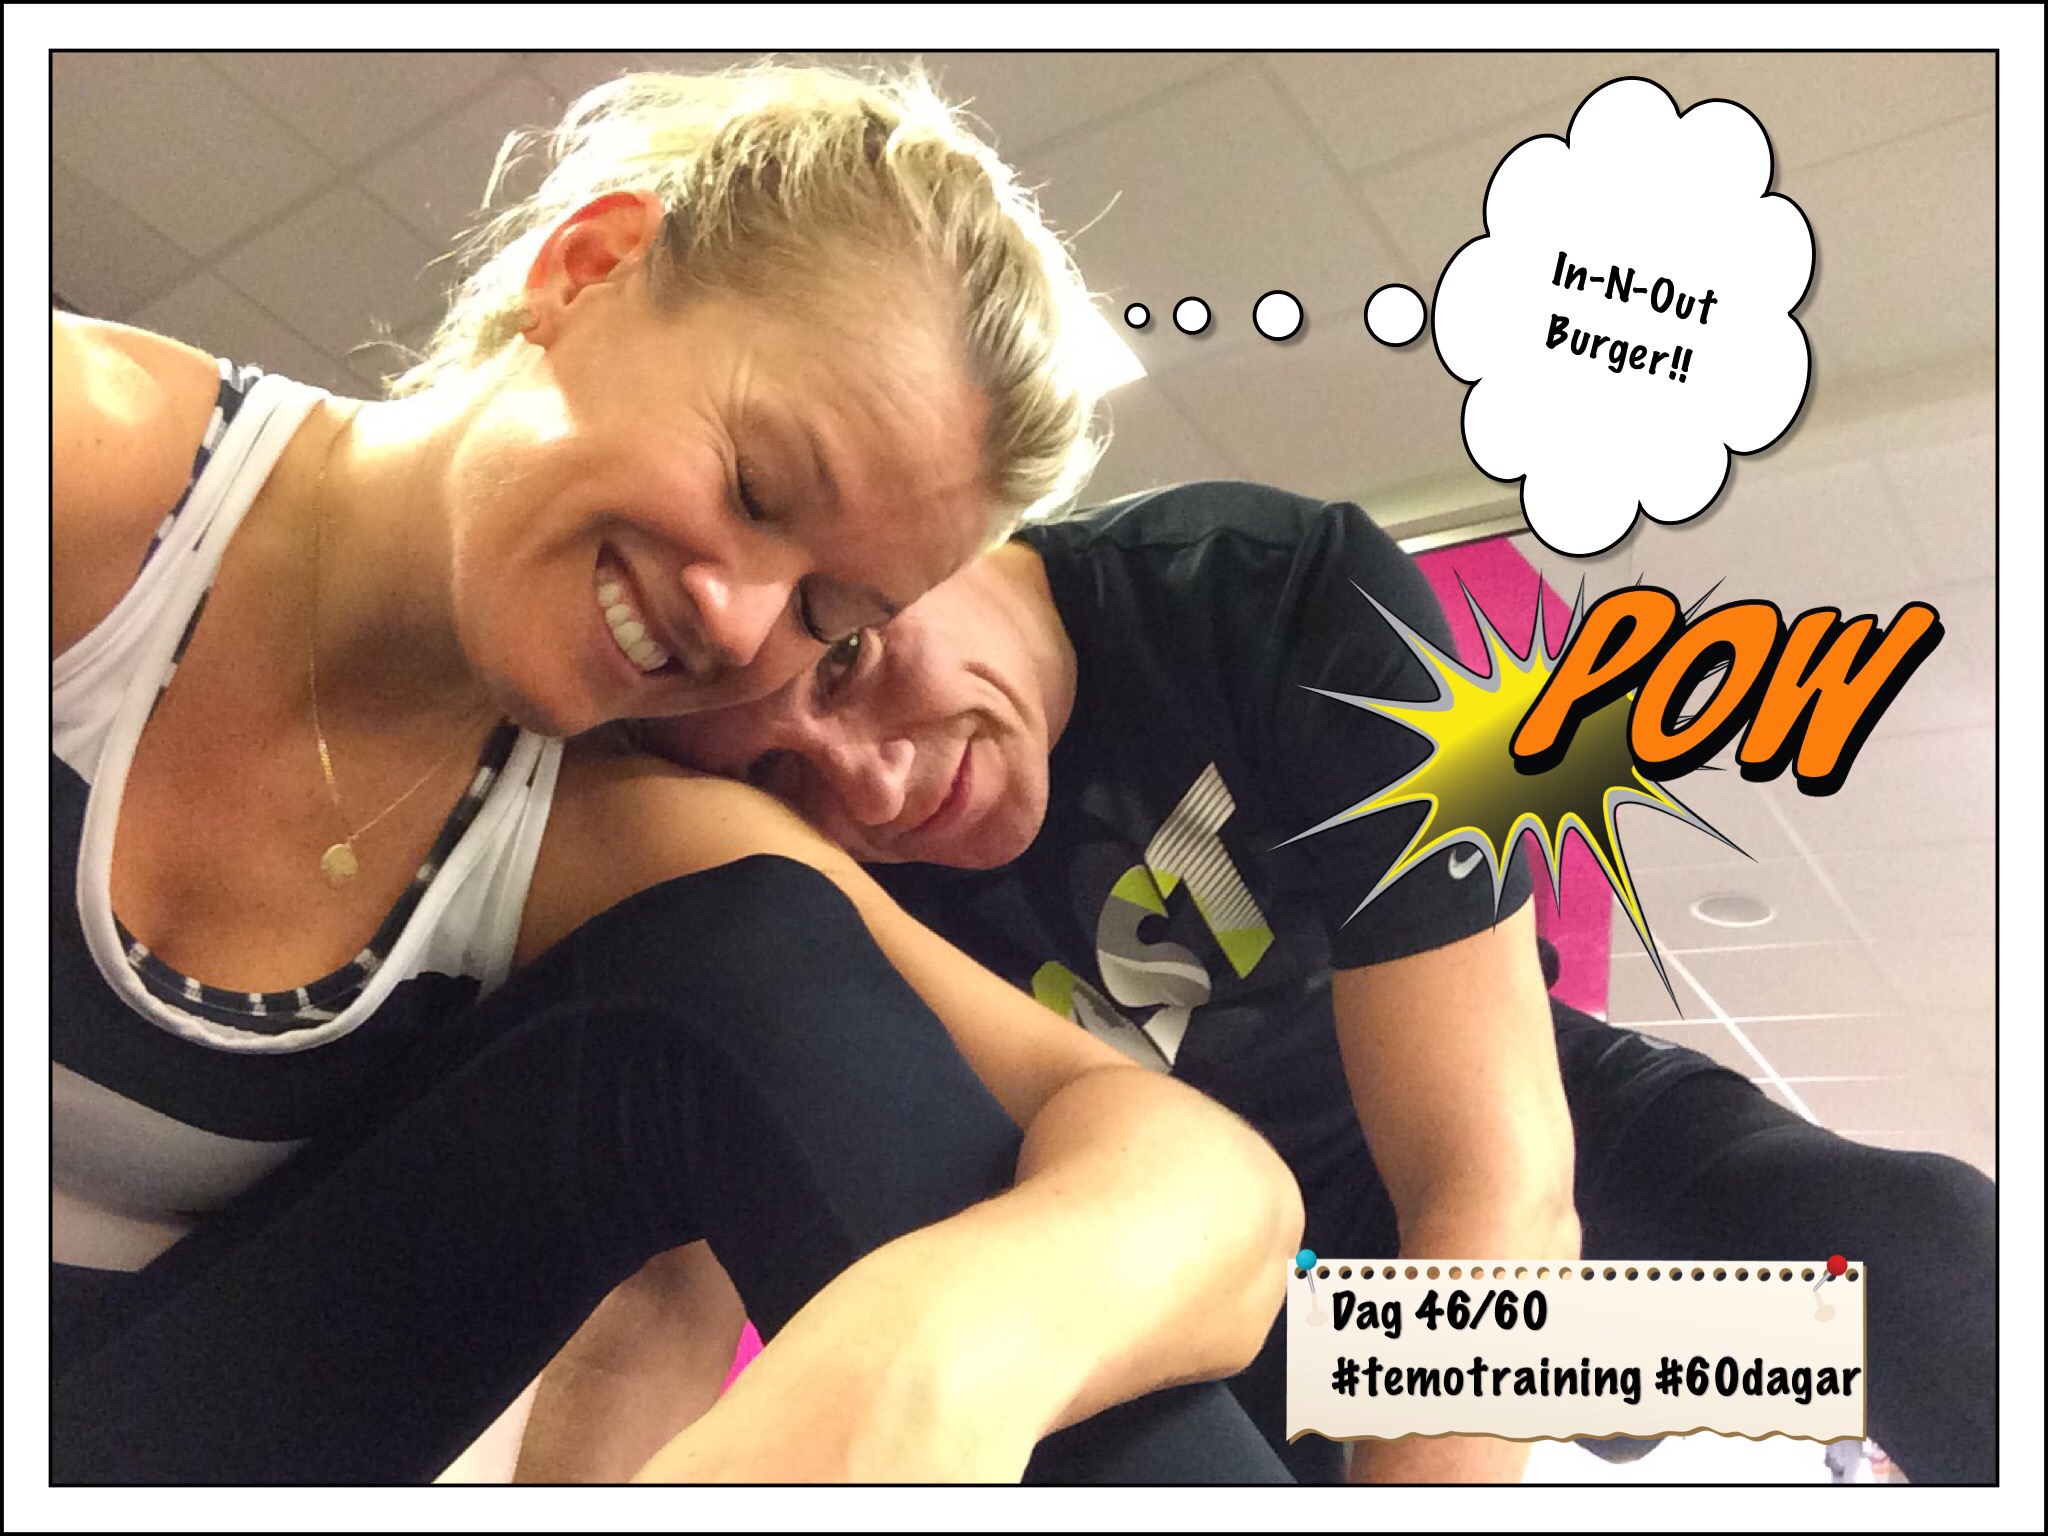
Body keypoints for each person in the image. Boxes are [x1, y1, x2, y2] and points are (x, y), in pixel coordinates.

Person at [50, 66, 1306, 1484]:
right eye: (758, 487)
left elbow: (1220, 1191)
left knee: (757, 960)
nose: (740, 620)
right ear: (586, 269)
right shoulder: (82, 457)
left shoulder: (608, 842)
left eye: (826, 615)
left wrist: (931, 1361)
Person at [619, 478, 1997, 1485]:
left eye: (850, 660)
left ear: (943, 509)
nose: (869, 784)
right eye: (779, 772)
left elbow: (1488, 1188)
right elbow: (674, 1262)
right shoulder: (808, 879)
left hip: (1521, 1193)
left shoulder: (1265, 592)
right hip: (1259, 1314)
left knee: (1916, 1261)